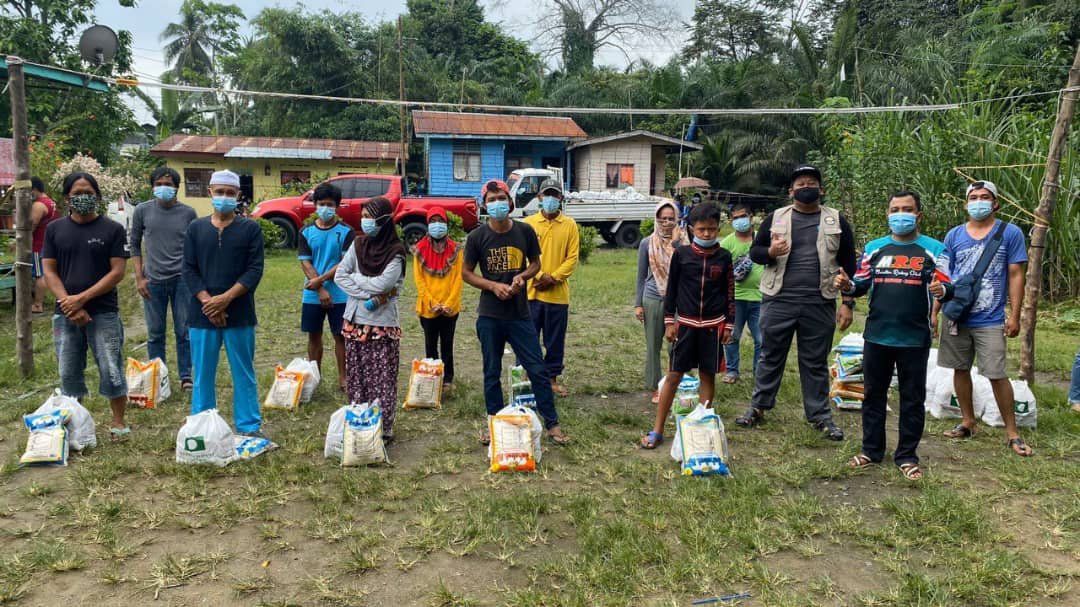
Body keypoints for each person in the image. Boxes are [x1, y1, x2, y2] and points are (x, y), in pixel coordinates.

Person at [835, 191, 954, 480]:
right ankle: (871, 450)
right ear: (888, 214)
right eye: (895, 209)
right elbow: (861, 283)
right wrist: (847, 285)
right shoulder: (875, 248)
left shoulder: (935, 250)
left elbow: (949, 285)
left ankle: (907, 455)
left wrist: (943, 291)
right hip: (877, 334)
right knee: (873, 395)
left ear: (918, 215)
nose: (900, 214)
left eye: (907, 209)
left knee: (912, 399)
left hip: (914, 337)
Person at [735, 165, 857, 441]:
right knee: (770, 355)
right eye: (800, 184)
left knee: (814, 361)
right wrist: (770, 251)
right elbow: (755, 253)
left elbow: (849, 263)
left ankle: (820, 416)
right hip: (779, 299)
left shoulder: (836, 220)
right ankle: (759, 407)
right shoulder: (775, 218)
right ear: (791, 191)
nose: (806, 187)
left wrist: (847, 301)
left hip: (820, 301)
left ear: (821, 189)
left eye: (811, 183)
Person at [463, 179, 570, 445]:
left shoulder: (524, 231)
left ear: (510, 203)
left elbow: (535, 264)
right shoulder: (477, 236)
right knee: (491, 371)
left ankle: (552, 424)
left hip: (520, 314)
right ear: (484, 206)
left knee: (536, 368)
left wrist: (522, 276)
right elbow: (466, 273)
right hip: (490, 315)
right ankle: (494, 423)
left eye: (501, 199)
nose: (497, 204)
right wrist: (492, 286)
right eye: (491, 200)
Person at [935, 180, 1033, 456]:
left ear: (995, 203)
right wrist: (935, 311)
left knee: (996, 373)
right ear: (966, 204)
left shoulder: (1010, 233)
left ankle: (1012, 431)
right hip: (956, 314)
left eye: (985, 197)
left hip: (990, 318)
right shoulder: (954, 235)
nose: (979, 201)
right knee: (959, 368)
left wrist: (1014, 315)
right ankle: (967, 422)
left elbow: (1016, 275)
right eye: (974, 197)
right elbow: (943, 277)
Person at [42, 172, 131, 440]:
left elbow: (117, 272)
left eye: (89, 192)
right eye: (77, 193)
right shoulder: (54, 230)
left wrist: (82, 299)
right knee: (68, 369)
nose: (83, 197)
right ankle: (77, 420)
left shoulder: (112, 230)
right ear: (67, 197)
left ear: (98, 196)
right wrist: (68, 303)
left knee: (110, 365)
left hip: (103, 311)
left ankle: (118, 421)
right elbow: (49, 270)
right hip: (65, 314)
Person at [640, 202, 735, 449]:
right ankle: (658, 429)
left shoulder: (724, 257)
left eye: (712, 229)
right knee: (673, 375)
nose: (706, 234)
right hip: (686, 326)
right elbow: (671, 291)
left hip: (714, 327)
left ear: (718, 228)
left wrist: (729, 325)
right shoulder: (682, 255)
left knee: (707, 375)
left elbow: (730, 293)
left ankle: (703, 429)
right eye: (702, 229)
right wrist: (670, 321)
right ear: (691, 228)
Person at [182, 170, 266, 438]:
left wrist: (226, 299)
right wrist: (209, 302)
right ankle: (203, 426)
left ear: (238, 195)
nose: (224, 197)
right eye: (220, 192)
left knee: (243, 372)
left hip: (239, 313)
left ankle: (248, 426)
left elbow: (254, 270)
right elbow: (188, 269)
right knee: (203, 375)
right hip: (201, 313)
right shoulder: (196, 228)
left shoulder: (250, 229)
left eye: (230, 193)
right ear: (210, 193)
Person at [335, 196, 406, 443]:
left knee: (382, 378)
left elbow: (385, 283)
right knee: (357, 376)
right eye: (363, 216)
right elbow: (340, 276)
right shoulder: (358, 244)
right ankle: (359, 422)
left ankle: (383, 428)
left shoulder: (396, 252)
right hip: (355, 321)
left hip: (381, 324)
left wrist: (359, 280)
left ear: (384, 220)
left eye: (370, 217)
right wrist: (372, 292)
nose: (365, 221)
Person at [130, 166, 198, 391]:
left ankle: (186, 376)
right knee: (155, 332)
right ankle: (157, 375)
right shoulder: (142, 211)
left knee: (184, 331)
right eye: (158, 184)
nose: (163, 188)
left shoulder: (188, 213)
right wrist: (139, 278)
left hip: (182, 280)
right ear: (152, 186)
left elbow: (194, 247)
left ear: (176, 188)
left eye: (168, 184)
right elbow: (134, 245)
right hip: (153, 281)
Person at [524, 178, 580, 397]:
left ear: (561, 198)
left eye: (554, 195)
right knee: (527, 338)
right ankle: (526, 378)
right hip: (530, 292)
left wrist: (552, 278)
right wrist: (538, 275)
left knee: (554, 340)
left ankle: (551, 379)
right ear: (539, 198)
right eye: (546, 195)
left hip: (557, 295)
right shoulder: (528, 224)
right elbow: (524, 256)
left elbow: (572, 258)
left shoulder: (570, 225)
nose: (550, 199)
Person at [298, 182, 355, 392]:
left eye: (330, 204)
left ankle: (344, 378)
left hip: (340, 294)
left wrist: (320, 281)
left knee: (340, 336)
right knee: (314, 336)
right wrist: (320, 289)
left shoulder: (346, 232)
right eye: (321, 203)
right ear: (315, 205)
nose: (325, 208)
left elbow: (344, 263)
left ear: (337, 206)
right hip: (313, 295)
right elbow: (305, 262)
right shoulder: (306, 232)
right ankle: (315, 376)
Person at [634, 200, 688, 403]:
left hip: (679, 300)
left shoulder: (685, 242)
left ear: (677, 219)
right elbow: (641, 276)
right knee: (653, 344)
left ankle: (673, 383)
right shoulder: (647, 243)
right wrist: (638, 304)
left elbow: (688, 267)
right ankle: (655, 385)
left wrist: (675, 244)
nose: (666, 223)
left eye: (670, 218)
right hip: (653, 298)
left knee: (676, 345)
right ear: (656, 219)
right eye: (662, 218)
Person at [413, 206, 463, 390]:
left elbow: (459, 278)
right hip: (428, 309)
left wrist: (449, 303)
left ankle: (448, 379)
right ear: (427, 225)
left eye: (440, 221)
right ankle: (432, 377)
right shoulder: (419, 250)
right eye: (433, 222)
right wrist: (432, 303)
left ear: (447, 224)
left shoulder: (456, 250)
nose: (437, 225)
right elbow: (419, 281)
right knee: (430, 345)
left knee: (447, 345)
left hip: (451, 309)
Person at [720, 203, 763, 384]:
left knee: (762, 339)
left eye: (743, 216)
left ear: (751, 217)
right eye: (736, 218)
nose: (740, 221)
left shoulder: (762, 239)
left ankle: (759, 373)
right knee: (732, 335)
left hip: (761, 297)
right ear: (731, 220)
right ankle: (732, 371)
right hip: (735, 298)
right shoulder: (727, 243)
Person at [29, 176, 56, 314]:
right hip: (48, 244)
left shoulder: (39, 205)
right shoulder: (51, 202)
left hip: (38, 245)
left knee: (40, 275)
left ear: (34, 189)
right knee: (45, 273)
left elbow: (31, 226)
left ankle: (38, 304)